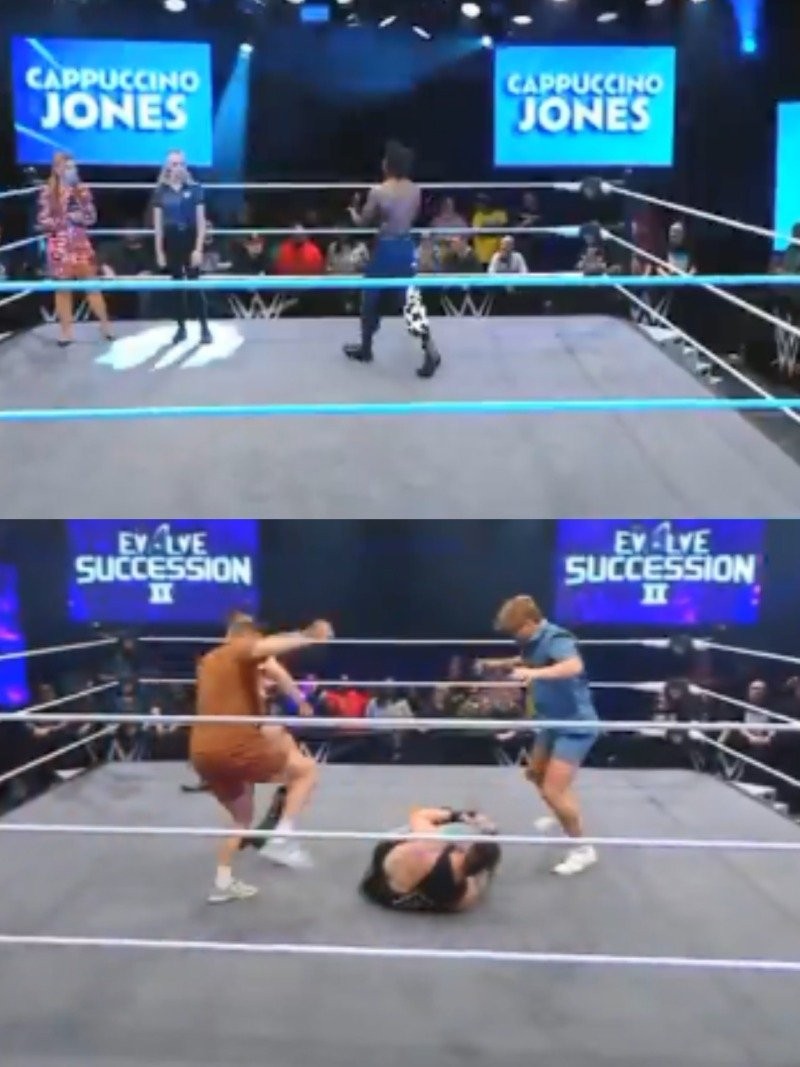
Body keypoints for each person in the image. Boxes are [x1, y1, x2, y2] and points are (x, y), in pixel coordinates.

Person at [190, 611, 334, 903]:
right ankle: (282, 836)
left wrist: (293, 698)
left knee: (242, 819)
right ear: (246, 634)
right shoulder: (241, 648)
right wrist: (308, 636)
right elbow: (268, 655)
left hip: (202, 752)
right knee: (305, 770)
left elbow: (271, 669)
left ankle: (223, 882)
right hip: (234, 745)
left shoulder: (209, 661)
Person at [479, 595, 599, 877]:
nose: (514, 636)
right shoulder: (534, 643)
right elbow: (529, 660)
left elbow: (573, 666)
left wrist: (535, 674)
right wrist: (500, 664)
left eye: (516, 630)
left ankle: (583, 848)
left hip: (575, 725)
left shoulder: (557, 637)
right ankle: (562, 816)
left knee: (554, 791)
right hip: (550, 721)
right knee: (535, 774)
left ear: (530, 622)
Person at [343, 140, 441, 379]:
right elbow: (410, 216)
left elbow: (363, 223)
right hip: (406, 246)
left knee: (370, 295)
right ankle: (429, 346)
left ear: (389, 164)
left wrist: (353, 210)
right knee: (410, 299)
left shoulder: (378, 191)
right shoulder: (415, 190)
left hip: (386, 248)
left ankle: (366, 348)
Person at [359, 806, 500, 912]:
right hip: (403, 899)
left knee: (427, 824)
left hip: (379, 883)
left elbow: (419, 815)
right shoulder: (464, 895)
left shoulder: (432, 842)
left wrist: (456, 815)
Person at [37, 152, 112, 347]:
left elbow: (92, 217)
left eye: (74, 167)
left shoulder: (82, 190)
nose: (73, 171)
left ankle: (105, 326)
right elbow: (43, 220)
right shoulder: (48, 192)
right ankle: (66, 332)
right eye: (69, 167)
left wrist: (82, 216)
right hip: (59, 247)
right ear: (58, 169)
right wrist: (65, 219)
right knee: (63, 289)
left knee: (92, 286)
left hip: (81, 245)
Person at [152, 149, 212, 346]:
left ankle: (204, 328)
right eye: (174, 164)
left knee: (195, 285)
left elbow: (201, 222)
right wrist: (159, 251)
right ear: (167, 167)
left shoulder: (195, 189)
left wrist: (198, 249)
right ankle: (181, 328)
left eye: (181, 163)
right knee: (177, 286)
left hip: (190, 238)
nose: (178, 167)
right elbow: (158, 226)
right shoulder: (160, 191)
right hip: (172, 241)